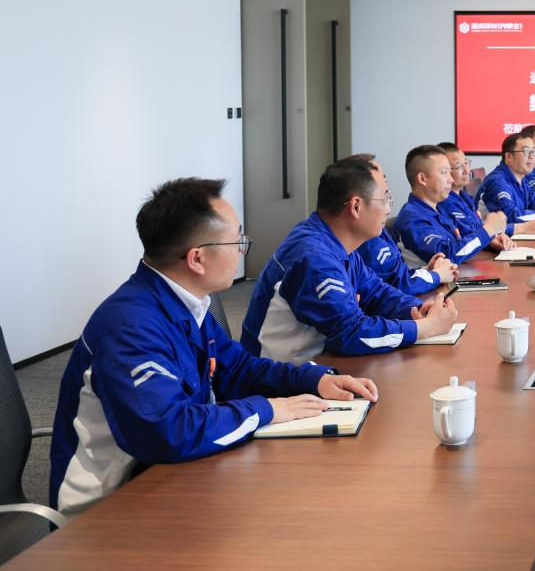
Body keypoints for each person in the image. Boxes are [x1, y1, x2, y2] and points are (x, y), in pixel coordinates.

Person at [49, 178, 378, 517]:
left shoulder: (187, 303)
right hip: (105, 511)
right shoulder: (131, 327)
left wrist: (314, 380)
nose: (241, 250)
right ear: (197, 258)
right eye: (237, 240)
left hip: (170, 475)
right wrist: (267, 409)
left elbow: (239, 369)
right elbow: (167, 431)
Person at [241, 155, 458, 363]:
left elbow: (376, 293)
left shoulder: (338, 243)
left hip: (317, 369)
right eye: (384, 199)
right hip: (278, 381)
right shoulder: (314, 256)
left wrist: (418, 309)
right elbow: (350, 333)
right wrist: (424, 328)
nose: (388, 209)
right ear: (356, 206)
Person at [348, 154, 458, 290]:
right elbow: (400, 283)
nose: (451, 179)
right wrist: (437, 275)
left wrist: (427, 271)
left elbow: (396, 278)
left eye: (384, 179)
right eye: (444, 172)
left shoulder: (373, 229)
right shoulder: (368, 237)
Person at [395, 144, 510, 264]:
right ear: (422, 179)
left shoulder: (438, 209)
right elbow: (447, 255)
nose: (451, 179)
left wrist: (490, 240)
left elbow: (462, 241)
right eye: (444, 172)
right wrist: (488, 230)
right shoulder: (412, 218)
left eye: (450, 172)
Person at [438, 141, 515, 251]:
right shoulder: (445, 201)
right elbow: (468, 231)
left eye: (466, 163)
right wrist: (492, 232)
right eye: (458, 166)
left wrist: (494, 236)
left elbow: (476, 226)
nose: (466, 171)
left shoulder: (463, 195)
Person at [481, 132, 535, 225]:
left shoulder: (521, 178)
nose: (531, 157)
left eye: (533, 152)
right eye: (526, 151)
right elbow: (510, 216)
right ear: (509, 156)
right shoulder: (497, 181)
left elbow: (532, 202)